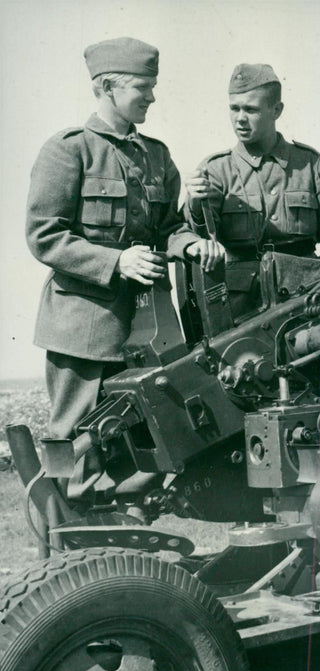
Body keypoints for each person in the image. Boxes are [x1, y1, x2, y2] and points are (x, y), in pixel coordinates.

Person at [26, 37, 220, 450]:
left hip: (149, 329)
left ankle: (123, 515)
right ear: (107, 87)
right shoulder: (69, 151)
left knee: (141, 443)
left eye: (153, 86)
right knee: (77, 441)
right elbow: (45, 235)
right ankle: (60, 513)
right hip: (84, 327)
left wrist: (188, 244)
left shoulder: (156, 155)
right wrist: (117, 262)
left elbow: (167, 225)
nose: (152, 96)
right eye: (142, 87)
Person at [183, 63, 320, 319]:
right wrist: (196, 205)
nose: (240, 118)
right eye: (234, 108)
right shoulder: (216, 170)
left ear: (276, 110)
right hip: (242, 305)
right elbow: (198, 238)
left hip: (306, 293)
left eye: (250, 109)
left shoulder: (308, 163)